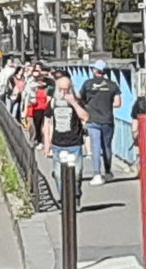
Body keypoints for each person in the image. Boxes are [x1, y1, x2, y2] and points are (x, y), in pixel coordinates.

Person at [45, 73, 89, 208]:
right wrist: (47, 143)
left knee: (77, 174)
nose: (63, 93)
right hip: (58, 144)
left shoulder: (77, 101)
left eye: (66, 89)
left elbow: (86, 117)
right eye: (61, 90)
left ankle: (75, 195)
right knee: (58, 175)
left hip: (74, 143)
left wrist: (74, 103)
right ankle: (65, 201)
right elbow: (47, 123)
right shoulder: (52, 103)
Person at [79, 59, 122, 186]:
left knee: (95, 147)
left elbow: (80, 98)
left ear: (95, 70)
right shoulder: (113, 85)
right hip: (107, 119)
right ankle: (108, 172)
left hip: (92, 119)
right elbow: (118, 103)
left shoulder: (87, 84)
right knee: (107, 146)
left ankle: (97, 174)